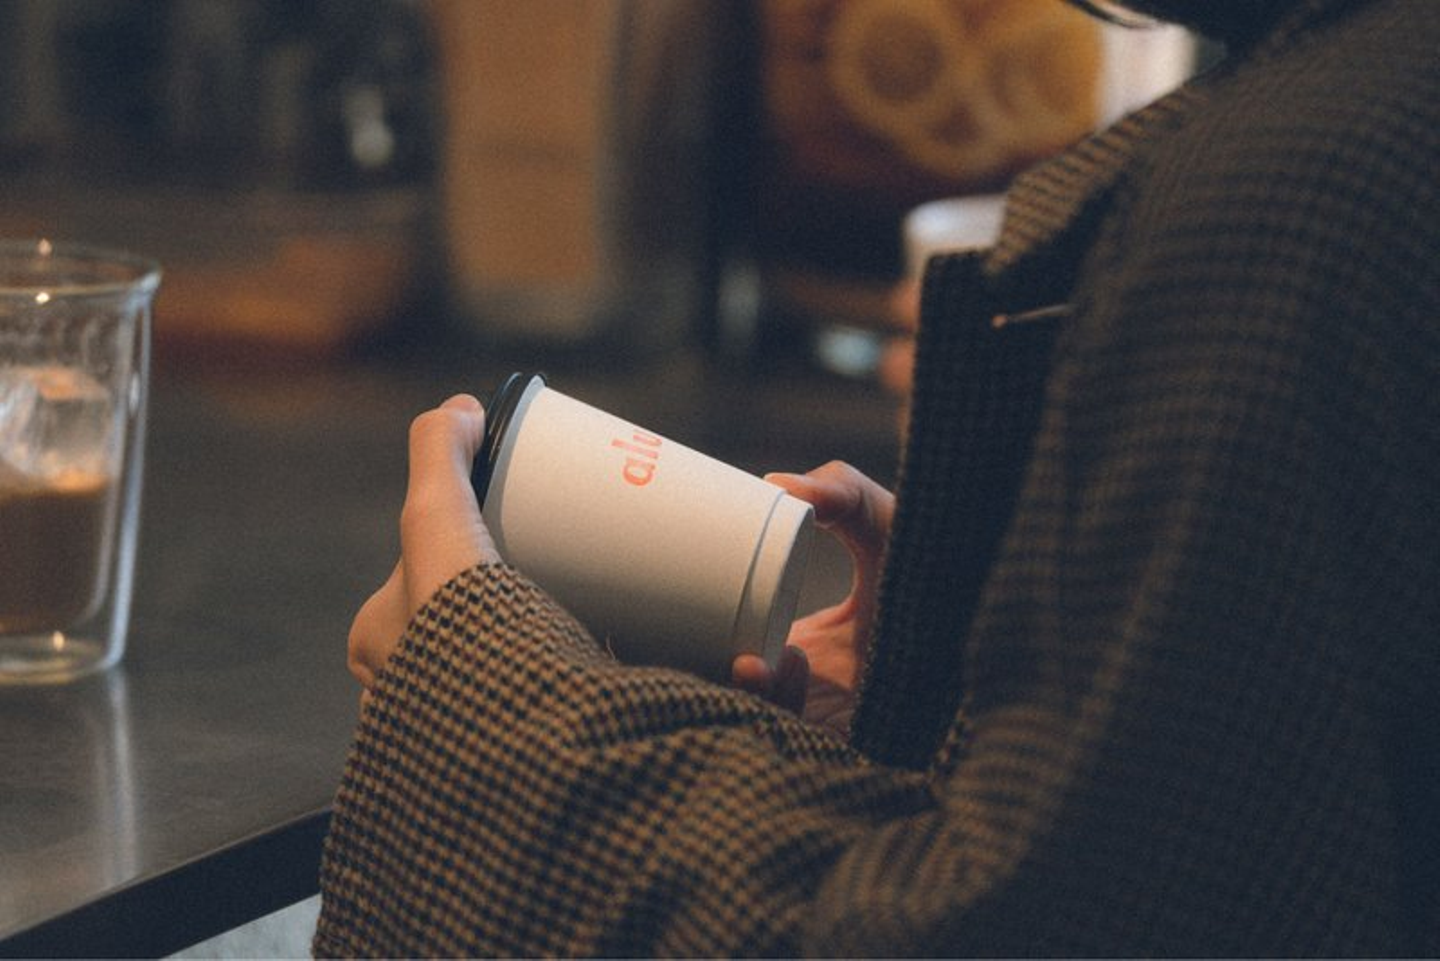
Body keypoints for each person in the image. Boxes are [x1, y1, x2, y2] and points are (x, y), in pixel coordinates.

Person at [315, 0, 1439, 955]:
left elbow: (1014, 939)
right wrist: (978, 691)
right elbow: (1267, 809)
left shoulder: (1298, 199)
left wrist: (477, 698)